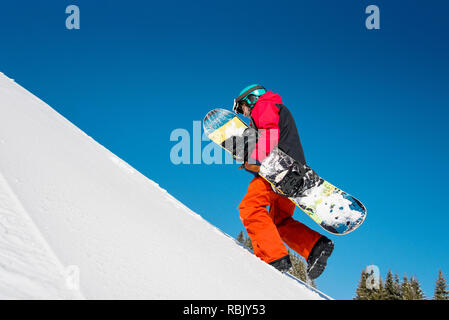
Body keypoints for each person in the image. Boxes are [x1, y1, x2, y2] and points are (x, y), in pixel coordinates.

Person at [232, 84, 334, 279]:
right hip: (293, 175)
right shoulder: (275, 107)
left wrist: (255, 160)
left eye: (242, 108)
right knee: (280, 221)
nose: (244, 114)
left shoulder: (264, 105)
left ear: (251, 99)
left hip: (277, 171)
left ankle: (274, 258)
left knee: (250, 208)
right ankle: (315, 246)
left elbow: (270, 133)